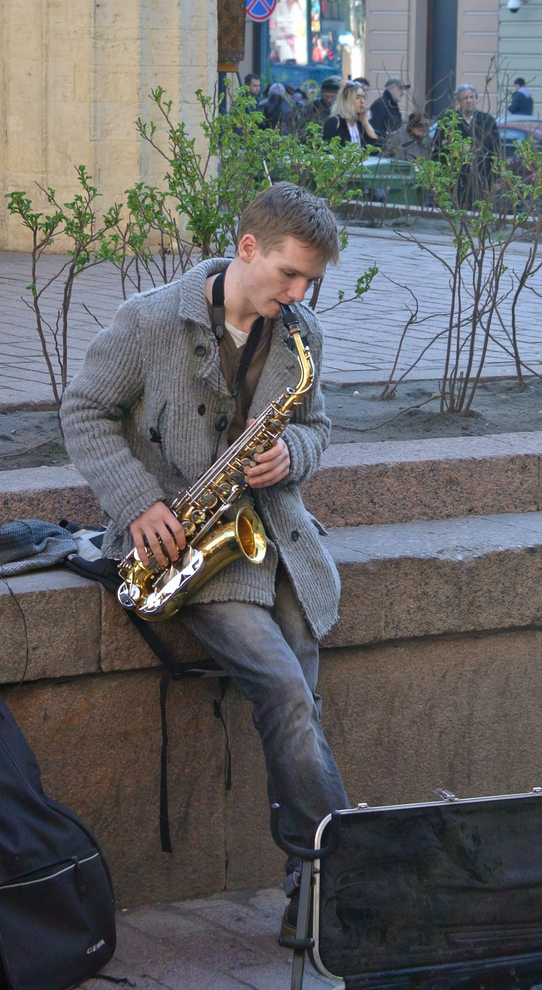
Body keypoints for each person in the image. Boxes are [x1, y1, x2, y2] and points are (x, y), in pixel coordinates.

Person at [59, 182, 350, 938]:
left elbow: (318, 427)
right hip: (183, 544)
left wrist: (293, 453)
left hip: (272, 534)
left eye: (311, 280)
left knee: (300, 692)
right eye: (290, 274)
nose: (300, 293)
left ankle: (309, 885)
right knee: (288, 690)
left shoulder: (298, 333)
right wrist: (137, 502)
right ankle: (340, 876)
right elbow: (83, 411)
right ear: (247, 247)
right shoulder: (150, 319)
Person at [432, 83, 499, 208]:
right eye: (465, 98)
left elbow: (496, 150)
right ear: (458, 101)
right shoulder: (448, 120)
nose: (469, 101)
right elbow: (437, 147)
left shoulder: (487, 121)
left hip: (480, 176)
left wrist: (496, 176)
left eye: (471, 97)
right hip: (454, 176)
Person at [322, 81, 379, 148]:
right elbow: (328, 149)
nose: (362, 101)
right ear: (346, 101)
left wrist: (364, 120)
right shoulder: (334, 122)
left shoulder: (361, 124)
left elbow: (377, 146)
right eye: (357, 97)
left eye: (364, 98)